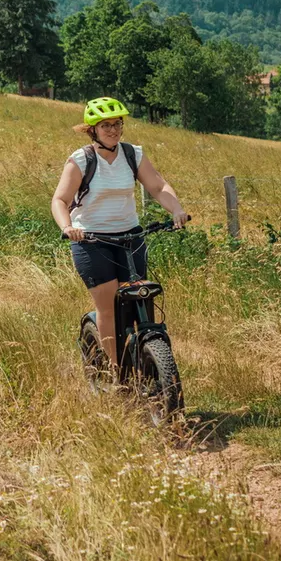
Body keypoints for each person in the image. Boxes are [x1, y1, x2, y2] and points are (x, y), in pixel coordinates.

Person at [51, 97, 188, 371]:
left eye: (117, 124)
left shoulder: (132, 154)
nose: (113, 130)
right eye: (105, 126)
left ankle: (149, 363)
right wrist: (68, 227)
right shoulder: (81, 160)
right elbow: (60, 200)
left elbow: (158, 187)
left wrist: (176, 209)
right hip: (91, 241)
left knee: (142, 298)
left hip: (131, 238)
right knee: (109, 307)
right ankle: (117, 373)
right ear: (93, 130)